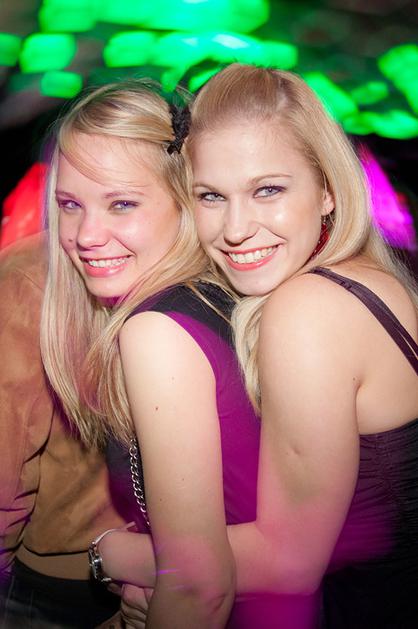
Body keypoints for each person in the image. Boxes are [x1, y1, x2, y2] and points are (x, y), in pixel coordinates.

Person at [101, 63, 418, 629]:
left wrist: (107, 553)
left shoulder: (309, 309)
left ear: (327, 191)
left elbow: (288, 562)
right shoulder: (373, 280)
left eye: (268, 190)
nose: (236, 228)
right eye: (211, 196)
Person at [40, 79, 298, 628]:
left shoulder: (158, 331)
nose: (86, 235)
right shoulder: (218, 301)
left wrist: (110, 555)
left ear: (185, 203)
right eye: (69, 205)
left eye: (122, 203)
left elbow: (201, 588)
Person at [0, 232, 127, 628]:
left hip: (53, 585)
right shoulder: (194, 262)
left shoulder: (32, 273)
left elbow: (7, 464)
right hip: (155, 567)